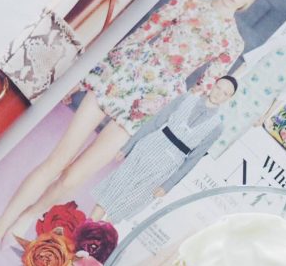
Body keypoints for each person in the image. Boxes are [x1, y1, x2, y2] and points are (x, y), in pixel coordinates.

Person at [0, 0, 267, 253]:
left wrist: (165, 122)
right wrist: (89, 77)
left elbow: (203, 88)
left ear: (251, 1)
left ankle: (25, 217)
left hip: (156, 99)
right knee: (58, 160)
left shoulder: (232, 42)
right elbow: (140, 35)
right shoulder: (188, 2)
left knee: (74, 178)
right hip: (124, 74)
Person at [90, 75, 237, 223]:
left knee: (129, 201)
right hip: (149, 146)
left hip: (168, 164)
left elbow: (194, 158)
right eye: (219, 88)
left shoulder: (217, 126)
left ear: (229, 98)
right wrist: (128, 146)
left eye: (225, 93)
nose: (219, 93)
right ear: (213, 85)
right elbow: (155, 122)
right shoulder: (186, 98)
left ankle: (93, 239)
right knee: (116, 185)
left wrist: (169, 184)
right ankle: (84, 228)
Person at [208, 26, 286, 158]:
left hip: (259, 105)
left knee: (230, 132)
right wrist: (230, 81)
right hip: (242, 89)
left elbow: (285, 95)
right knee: (217, 119)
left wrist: (265, 116)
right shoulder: (282, 42)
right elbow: (252, 59)